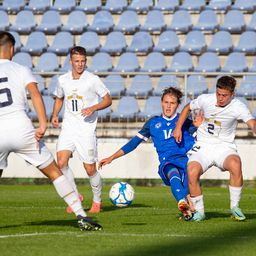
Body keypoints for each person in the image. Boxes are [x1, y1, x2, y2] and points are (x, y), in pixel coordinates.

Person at [0, 31, 102, 231]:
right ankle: (81, 215)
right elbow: (36, 95)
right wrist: (43, 125)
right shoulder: (20, 69)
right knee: (55, 172)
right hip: (22, 128)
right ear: (12, 49)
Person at [99, 87, 199, 221]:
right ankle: (182, 203)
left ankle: (188, 208)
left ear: (178, 105)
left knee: (191, 197)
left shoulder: (185, 122)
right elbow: (133, 143)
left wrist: (200, 127)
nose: (168, 106)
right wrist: (112, 157)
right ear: (161, 102)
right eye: (166, 102)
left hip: (187, 162)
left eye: (172, 103)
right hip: (167, 162)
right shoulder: (153, 123)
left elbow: (201, 137)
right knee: (173, 173)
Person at [173, 75, 256, 222]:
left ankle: (235, 208)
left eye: (224, 95)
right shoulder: (206, 99)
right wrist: (178, 127)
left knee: (235, 164)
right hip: (203, 146)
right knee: (192, 171)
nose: (220, 98)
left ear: (232, 94)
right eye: (218, 94)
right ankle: (200, 212)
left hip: (224, 147)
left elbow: (251, 123)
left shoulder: (238, 106)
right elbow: (187, 108)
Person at [51, 46, 112, 214]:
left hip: (86, 130)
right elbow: (59, 98)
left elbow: (108, 100)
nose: (80, 64)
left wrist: (93, 107)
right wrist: (55, 114)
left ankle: (97, 201)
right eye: (77, 61)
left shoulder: (92, 79)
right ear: (70, 61)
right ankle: (75, 196)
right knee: (61, 163)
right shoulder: (63, 79)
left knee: (90, 169)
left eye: (83, 61)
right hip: (68, 128)